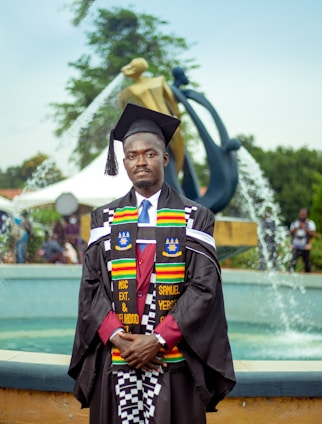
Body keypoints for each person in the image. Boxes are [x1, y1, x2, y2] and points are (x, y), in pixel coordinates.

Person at [68, 103, 235, 423]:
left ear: (165, 159)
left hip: (173, 360)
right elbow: (90, 288)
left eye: (149, 153)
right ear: (124, 162)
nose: (140, 161)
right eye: (132, 155)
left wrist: (157, 340)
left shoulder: (195, 217)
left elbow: (203, 288)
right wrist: (118, 337)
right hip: (117, 357)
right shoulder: (105, 219)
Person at [289, 208, 316, 272]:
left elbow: (313, 234)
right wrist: (296, 228)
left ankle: (308, 275)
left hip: (305, 246)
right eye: (301, 214)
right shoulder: (295, 223)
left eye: (303, 214)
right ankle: (290, 274)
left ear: (306, 215)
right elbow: (290, 233)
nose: (302, 216)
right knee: (292, 262)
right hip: (296, 246)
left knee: (307, 263)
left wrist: (305, 228)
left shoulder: (310, 223)